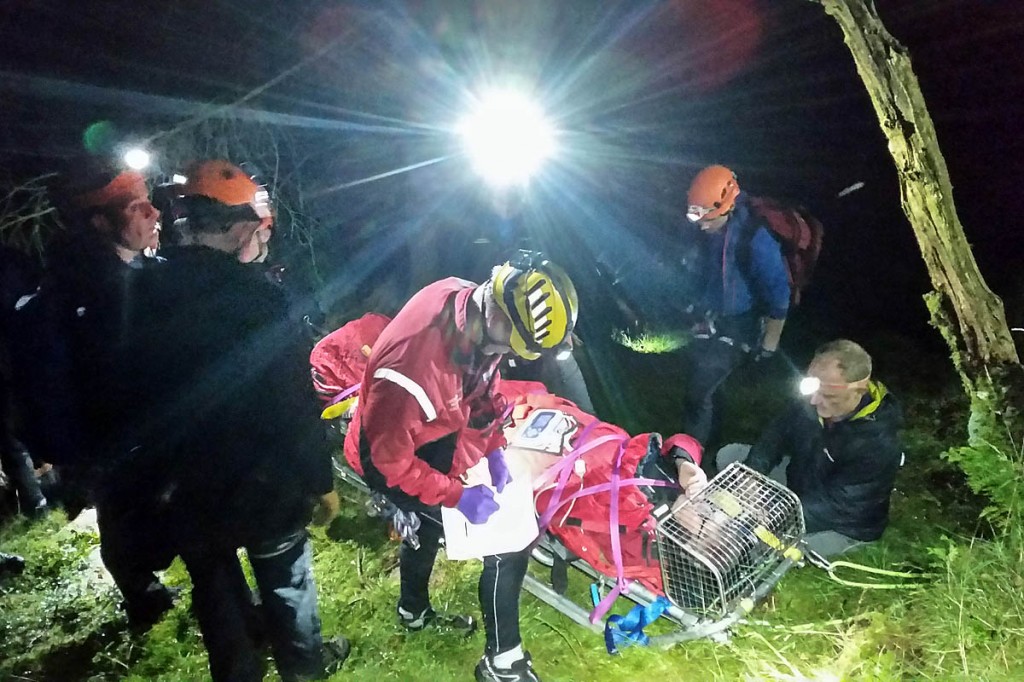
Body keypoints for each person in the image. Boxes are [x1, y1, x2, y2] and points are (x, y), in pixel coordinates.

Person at [119, 159, 347, 681]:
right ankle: (304, 667)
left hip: (186, 487)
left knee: (215, 587)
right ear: (243, 226)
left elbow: (132, 393)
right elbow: (292, 404)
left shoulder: (142, 290)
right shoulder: (261, 302)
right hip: (264, 486)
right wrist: (320, 481)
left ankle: (238, 670)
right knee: (287, 582)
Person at [345, 250, 578, 682]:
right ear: (500, 316)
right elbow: (391, 463)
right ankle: (502, 662)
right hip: (388, 455)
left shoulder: (468, 300)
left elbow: (481, 379)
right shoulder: (411, 369)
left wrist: (491, 446)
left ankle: (412, 611)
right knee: (508, 545)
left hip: (427, 437)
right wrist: (457, 496)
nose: (509, 353)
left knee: (426, 527)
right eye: (512, 344)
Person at [715, 339, 904, 558]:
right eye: (813, 389)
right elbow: (775, 435)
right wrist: (752, 473)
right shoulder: (814, 398)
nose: (814, 400)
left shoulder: (879, 441)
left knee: (763, 547)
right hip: (801, 485)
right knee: (730, 456)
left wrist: (772, 514)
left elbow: (838, 505)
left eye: (828, 395)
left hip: (842, 523)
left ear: (859, 390)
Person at [681, 165, 791, 452]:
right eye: (697, 217)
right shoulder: (708, 231)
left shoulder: (755, 239)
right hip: (712, 317)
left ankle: (689, 457)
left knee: (698, 391)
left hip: (743, 323)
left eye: (708, 218)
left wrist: (768, 348)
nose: (701, 224)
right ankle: (711, 439)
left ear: (727, 208)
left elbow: (779, 296)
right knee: (708, 386)